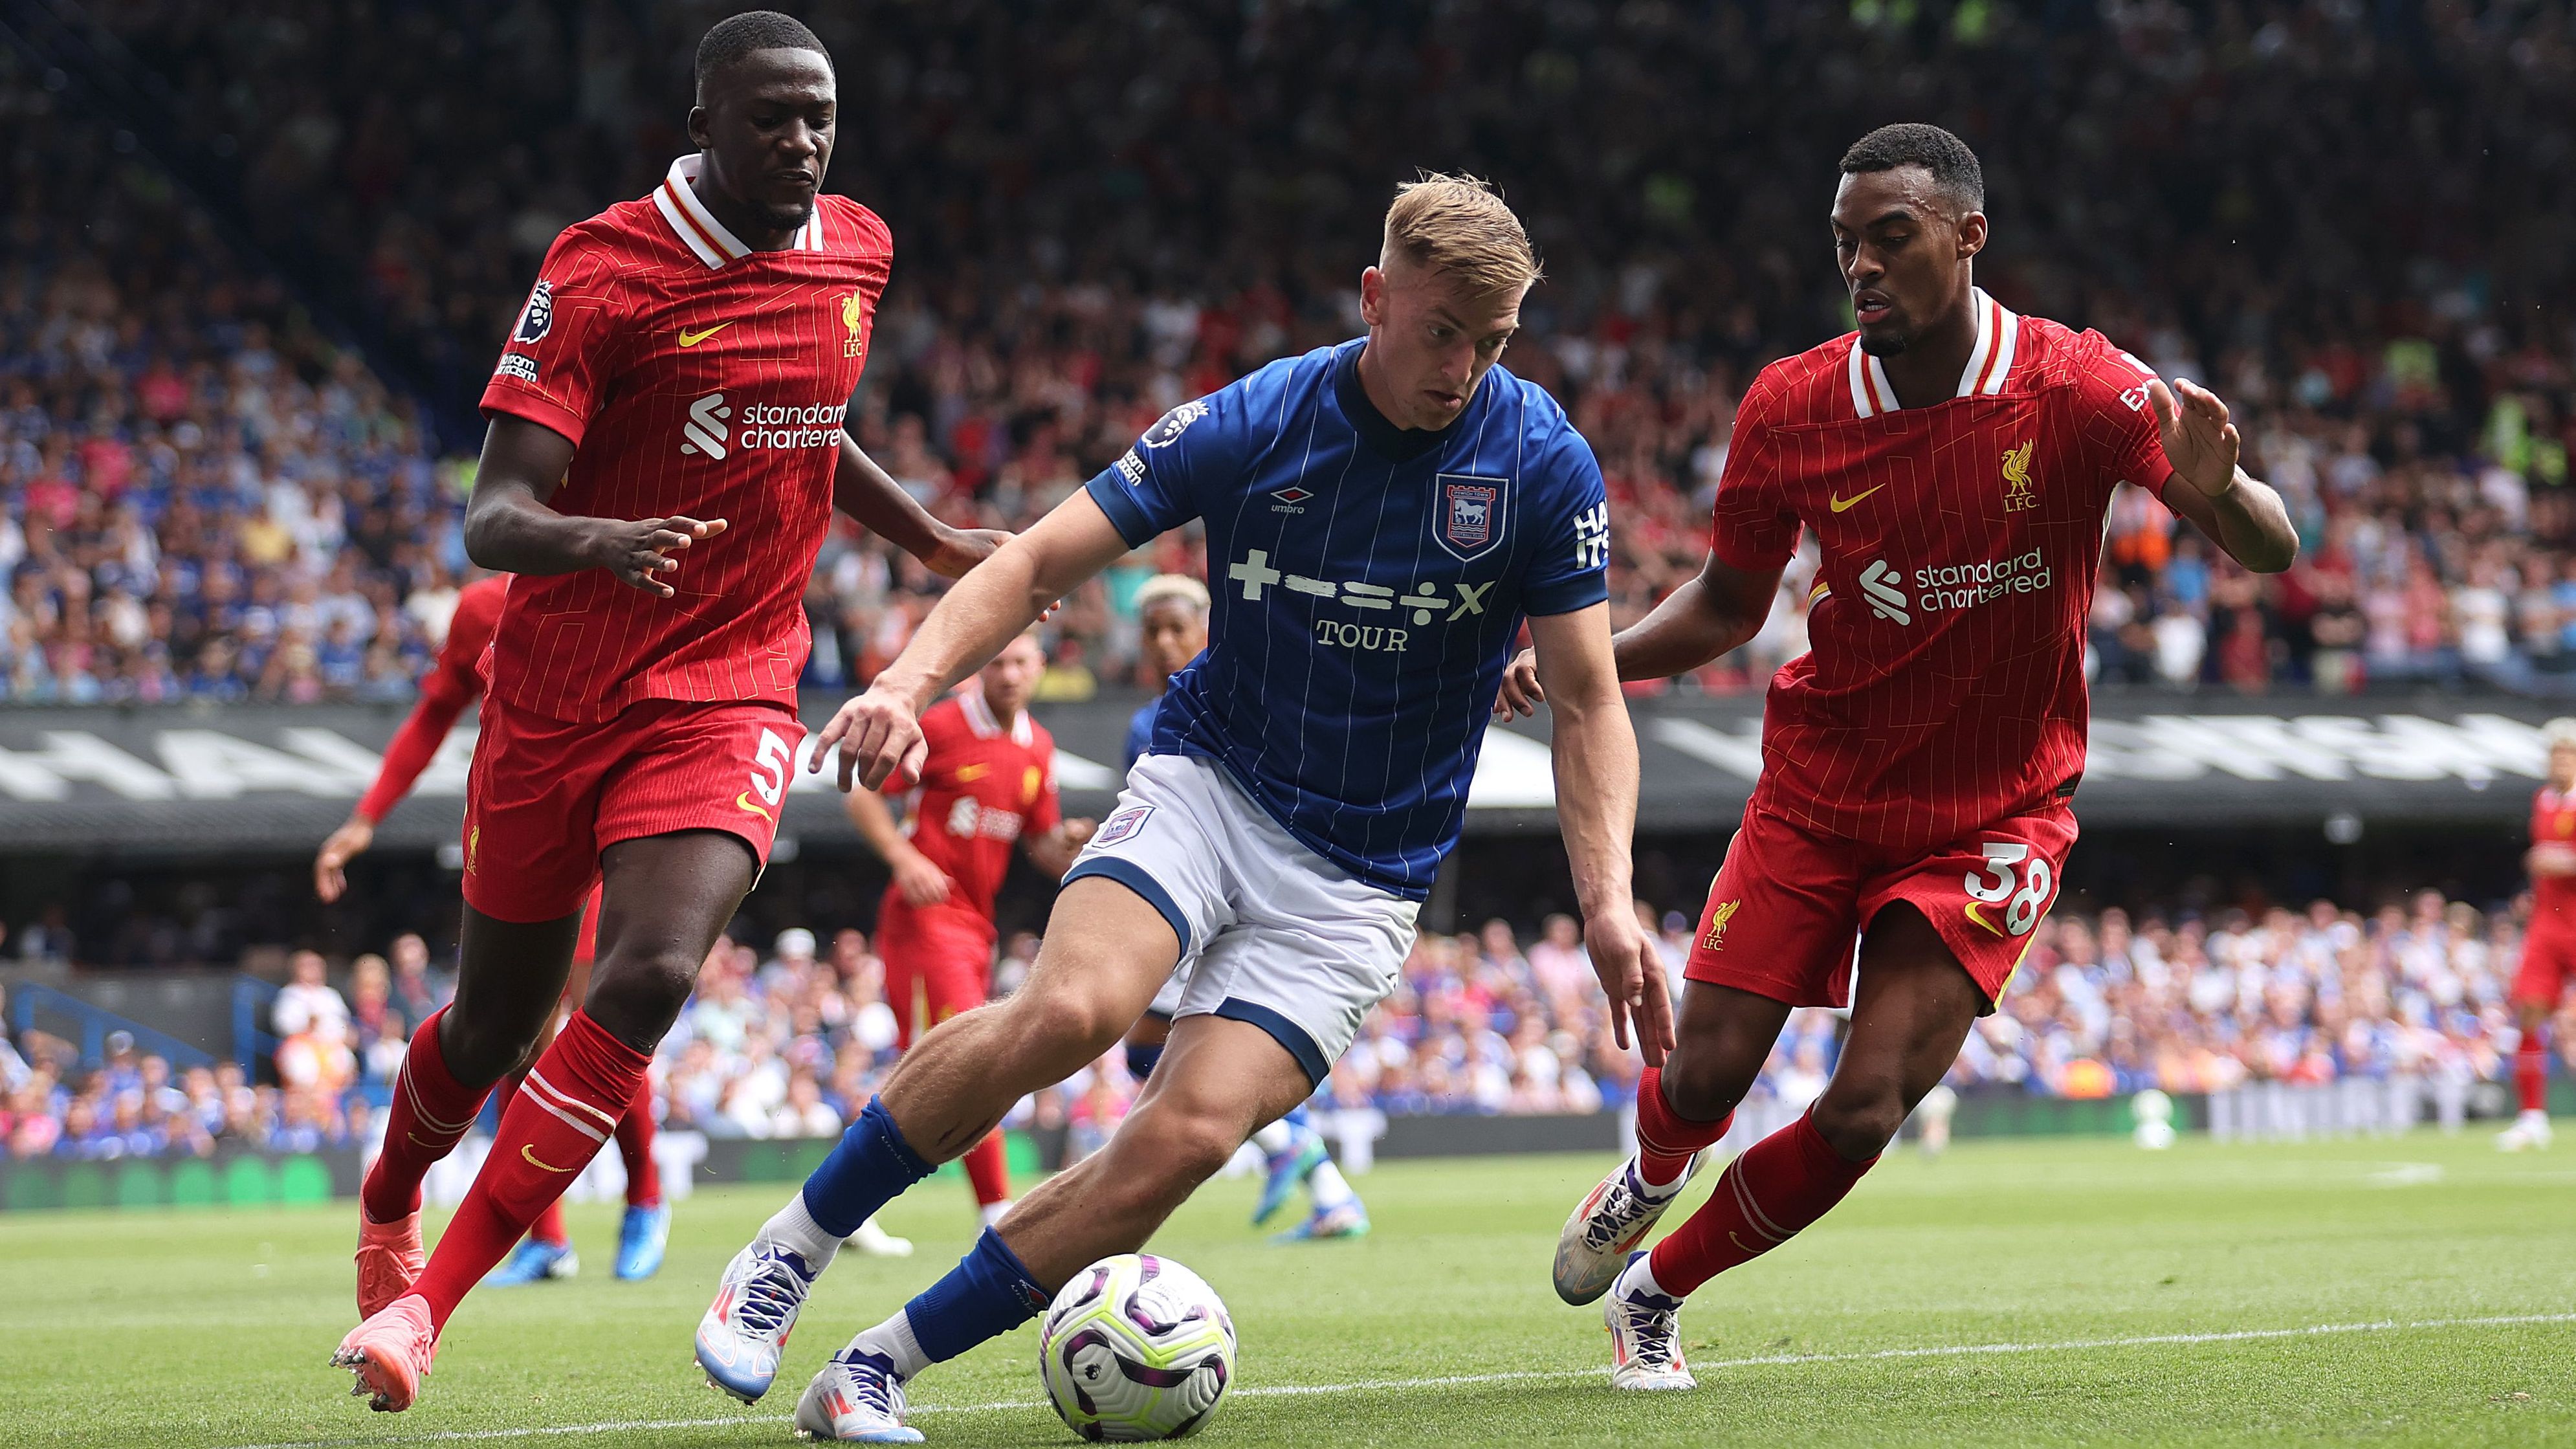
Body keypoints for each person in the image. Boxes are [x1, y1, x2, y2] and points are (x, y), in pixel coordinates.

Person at [695, 172, 1655, 1443]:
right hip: (1212, 782)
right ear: (1375, 299)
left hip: (1363, 878)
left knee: (1188, 1134)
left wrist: (1608, 903)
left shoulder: (1539, 460)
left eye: (1490, 343)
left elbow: (1588, 701)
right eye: (1439, 333)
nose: (1463, 368)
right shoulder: (1260, 420)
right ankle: (790, 1246)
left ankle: (872, 1367)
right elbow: (1036, 557)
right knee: (1076, 1011)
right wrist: (904, 683)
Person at [1515, 124, 2299, 1391]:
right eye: (1844, 246)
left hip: (1996, 812)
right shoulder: (1792, 402)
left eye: (1889, 238)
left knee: (1866, 1105)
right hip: (1823, 786)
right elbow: (1725, 603)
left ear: (1967, 235)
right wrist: (1582, 661)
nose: (1861, 267)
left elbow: (2265, 547)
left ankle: (1657, 1293)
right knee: (1706, 1066)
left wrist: (2231, 486)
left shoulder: (2080, 388)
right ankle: (1653, 1172)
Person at [329, 12, 1011, 1412]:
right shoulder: (601, 271)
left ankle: (426, 1314)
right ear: (702, 120)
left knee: (646, 973)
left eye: (820, 115)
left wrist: (930, 538)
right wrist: (598, 538)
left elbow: (807, 423)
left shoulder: (856, 248)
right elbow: (493, 517)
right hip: (561, 691)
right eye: (771, 117)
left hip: (737, 680)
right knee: (490, 1034)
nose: (803, 142)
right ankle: (392, 1190)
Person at [316, 571, 671, 1290]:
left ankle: (645, 1199)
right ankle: (548, 1237)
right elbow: (434, 712)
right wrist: (363, 820)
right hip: (517, 826)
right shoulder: (483, 607)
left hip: (604, 824)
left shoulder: (621, 572)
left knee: (602, 1023)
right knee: (518, 1036)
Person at [1117, 572, 1372, 1241]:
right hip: (1214, 896)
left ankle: (1293, 1147)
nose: (1167, 642)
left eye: (1179, 627)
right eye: (1154, 632)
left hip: (1230, 903)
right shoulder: (1149, 721)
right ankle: (1327, 1189)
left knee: (1165, 1048)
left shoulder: (1230, 699)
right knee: (1168, 1049)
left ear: (1211, 626)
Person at [2500, 718, 2576, 1151]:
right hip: (2548, 923)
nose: (2559, 761)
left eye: (2566, 753)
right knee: (2528, 1010)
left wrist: (2561, 861)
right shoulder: (2542, 800)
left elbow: (2555, 859)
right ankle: (2531, 1115)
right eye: (2554, 753)